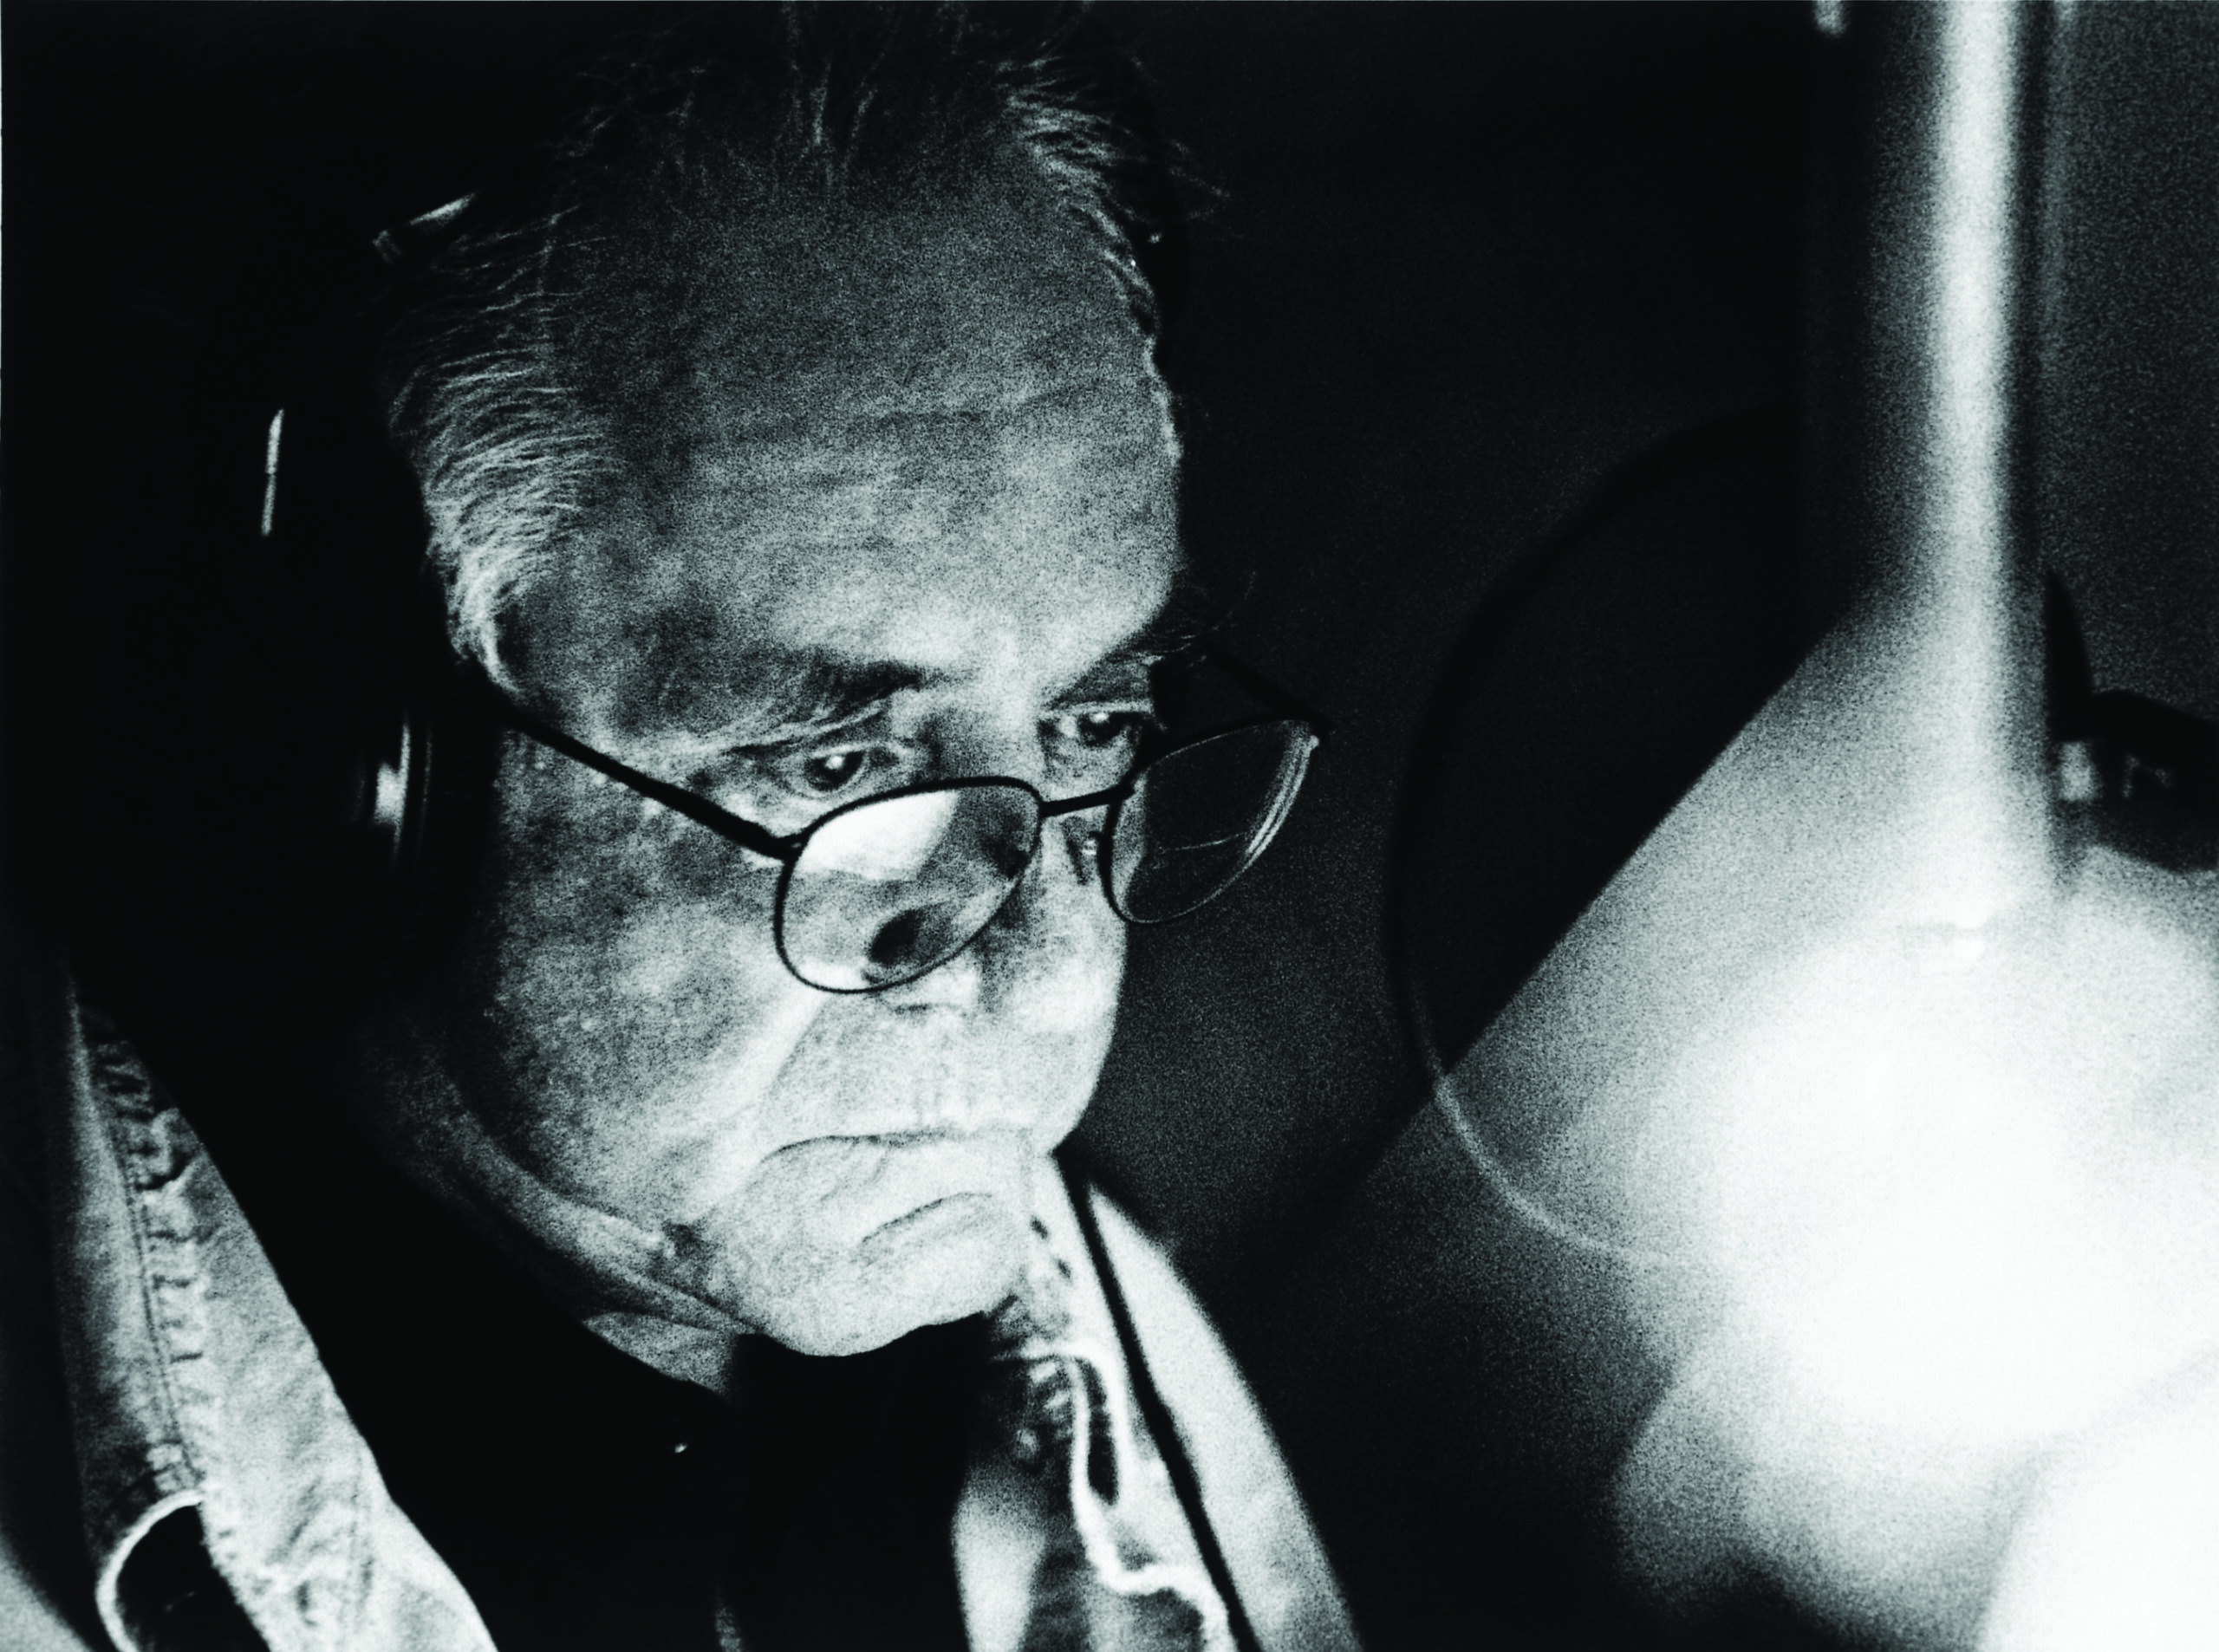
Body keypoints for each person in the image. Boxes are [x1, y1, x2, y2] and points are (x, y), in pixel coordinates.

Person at [0, 9, 1355, 1651]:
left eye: (1092, 722)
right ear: (327, 768)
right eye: (840, 764)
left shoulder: (1102, 1348)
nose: (1054, 969)